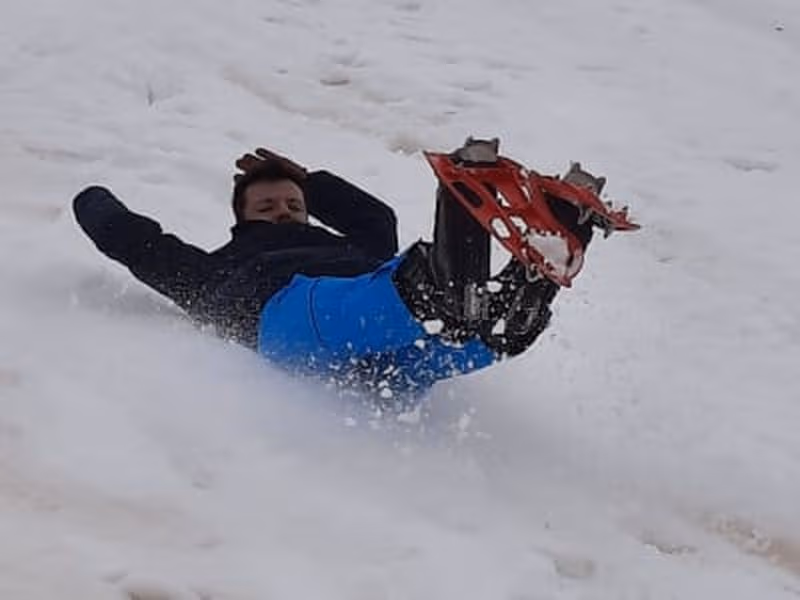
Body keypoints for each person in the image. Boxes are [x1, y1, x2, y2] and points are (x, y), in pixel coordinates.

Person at [73, 138, 601, 406]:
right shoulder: (217, 270)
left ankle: (530, 283)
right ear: (241, 220)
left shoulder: (353, 245)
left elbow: (376, 218)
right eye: (266, 207)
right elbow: (143, 247)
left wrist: (314, 183)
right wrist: (91, 200)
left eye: (292, 204)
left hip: (387, 354)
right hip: (292, 319)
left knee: (469, 328)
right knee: (390, 300)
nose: (282, 210)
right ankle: (477, 280)